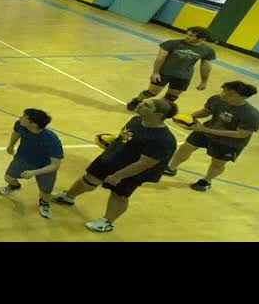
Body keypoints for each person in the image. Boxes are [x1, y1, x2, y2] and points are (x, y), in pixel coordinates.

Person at [51, 98, 179, 233]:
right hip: (111, 158)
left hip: (132, 171)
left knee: (119, 195)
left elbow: (145, 163)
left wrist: (118, 176)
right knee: (87, 180)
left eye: (146, 105)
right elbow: (125, 139)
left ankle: (107, 222)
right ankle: (68, 196)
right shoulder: (135, 120)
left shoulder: (163, 140)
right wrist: (112, 144)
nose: (141, 104)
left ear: (158, 114)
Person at [164, 80, 259, 191]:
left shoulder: (251, 115)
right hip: (207, 130)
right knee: (186, 147)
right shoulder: (216, 99)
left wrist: (207, 130)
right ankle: (171, 168)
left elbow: (240, 134)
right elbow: (206, 111)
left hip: (229, 142)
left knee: (217, 163)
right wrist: (189, 117)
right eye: (224, 91)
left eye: (230, 94)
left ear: (243, 97)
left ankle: (207, 181)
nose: (223, 95)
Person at [125, 26, 215, 111]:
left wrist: (204, 81)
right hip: (164, 73)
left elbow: (205, 66)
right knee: (152, 92)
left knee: (171, 98)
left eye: (191, 36)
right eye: (188, 34)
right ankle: (137, 101)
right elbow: (160, 58)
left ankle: (155, 110)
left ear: (202, 39)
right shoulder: (171, 43)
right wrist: (155, 72)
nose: (187, 37)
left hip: (183, 77)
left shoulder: (207, 50)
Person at [0, 108, 64, 219]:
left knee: (45, 193)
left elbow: (55, 165)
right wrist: (11, 145)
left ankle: (44, 203)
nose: (20, 117)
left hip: (45, 166)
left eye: (24, 117)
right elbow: (16, 133)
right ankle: (14, 186)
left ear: (33, 124)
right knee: (8, 178)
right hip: (22, 158)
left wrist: (33, 172)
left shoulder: (52, 140)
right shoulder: (21, 125)